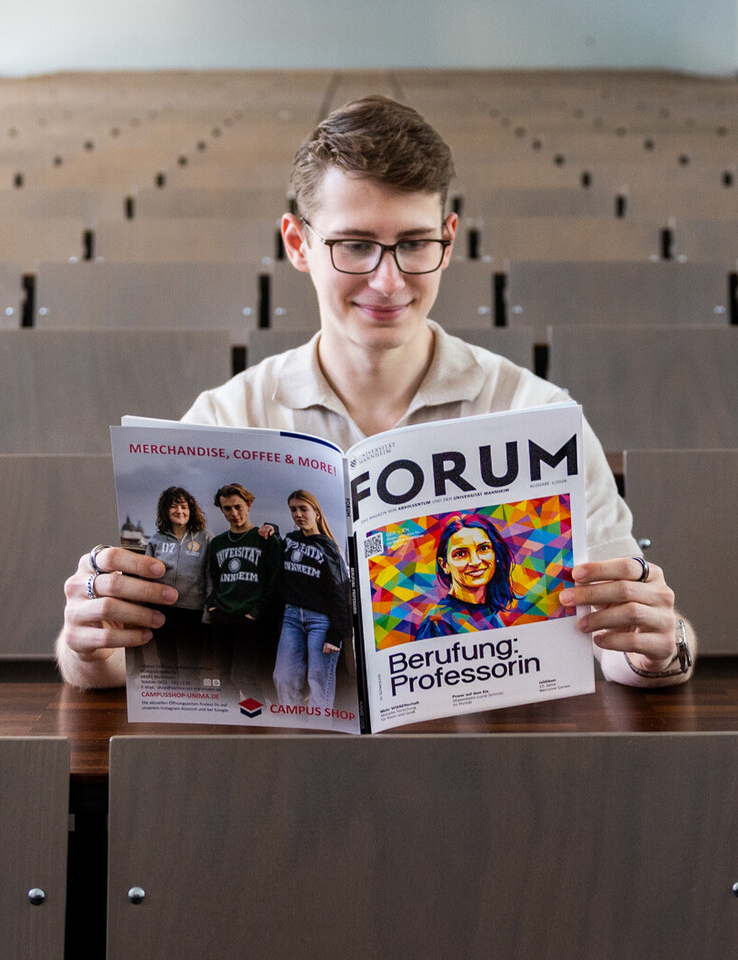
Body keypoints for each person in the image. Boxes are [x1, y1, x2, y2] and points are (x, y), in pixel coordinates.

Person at [58, 94, 695, 692]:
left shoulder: (539, 415)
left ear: (448, 240)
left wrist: (659, 648)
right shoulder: (224, 417)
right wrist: (86, 644)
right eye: (355, 246)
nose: (387, 282)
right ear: (298, 243)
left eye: (413, 244)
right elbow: (122, 656)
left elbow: (624, 646)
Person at [272, 490, 352, 711]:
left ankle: (319, 728)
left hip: (321, 621)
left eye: (303, 509)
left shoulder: (328, 548)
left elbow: (339, 593)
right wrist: (271, 527)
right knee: (283, 678)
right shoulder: (290, 540)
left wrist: (335, 635)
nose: (298, 514)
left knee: (319, 682)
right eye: (293, 510)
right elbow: (276, 546)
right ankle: (295, 726)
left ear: (316, 513)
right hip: (291, 618)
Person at [206, 482, 282, 702]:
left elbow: (276, 580)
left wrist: (256, 612)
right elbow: (214, 578)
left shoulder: (266, 539)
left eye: (238, 506)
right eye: (227, 508)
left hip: (251, 618)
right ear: (221, 510)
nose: (234, 513)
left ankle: (260, 714)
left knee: (243, 676)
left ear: (249, 505)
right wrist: (212, 605)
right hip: (222, 616)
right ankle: (231, 718)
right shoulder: (218, 543)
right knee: (224, 677)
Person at [414, 513, 523, 642]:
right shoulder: (438, 622)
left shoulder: (490, 611)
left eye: (483, 548)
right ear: (444, 565)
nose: (475, 562)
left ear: (495, 554)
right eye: (461, 554)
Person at [138, 486, 211, 668]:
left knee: (190, 665)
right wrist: (145, 607)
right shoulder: (156, 539)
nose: (179, 511)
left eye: (184, 507)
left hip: (193, 611)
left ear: (191, 510)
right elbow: (146, 575)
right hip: (162, 609)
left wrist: (207, 610)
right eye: (174, 506)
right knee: (166, 662)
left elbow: (211, 576)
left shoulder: (205, 538)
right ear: (165, 510)